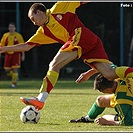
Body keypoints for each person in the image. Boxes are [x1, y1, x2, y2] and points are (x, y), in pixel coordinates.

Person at [0, 2, 133, 110]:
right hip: (90, 44)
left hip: (80, 35)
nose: (33, 23)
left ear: (39, 12)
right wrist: (3, 49)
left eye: (33, 19)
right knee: (109, 74)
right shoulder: (43, 32)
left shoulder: (59, 7)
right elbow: (27, 46)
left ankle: (40, 100)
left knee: (54, 64)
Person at [0, 22, 25, 88]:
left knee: (15, 69)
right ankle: (15, 76)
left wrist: (23, 55)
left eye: (12, 27)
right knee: (7, 70)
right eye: (10, 27)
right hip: (8, 55)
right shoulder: (5, 35)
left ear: (15, 28)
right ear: (8, 28)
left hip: (16, 54)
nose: (11, 28)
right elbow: (1, 45)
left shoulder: (18, 36)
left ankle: (13, 83)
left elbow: (23, 45)